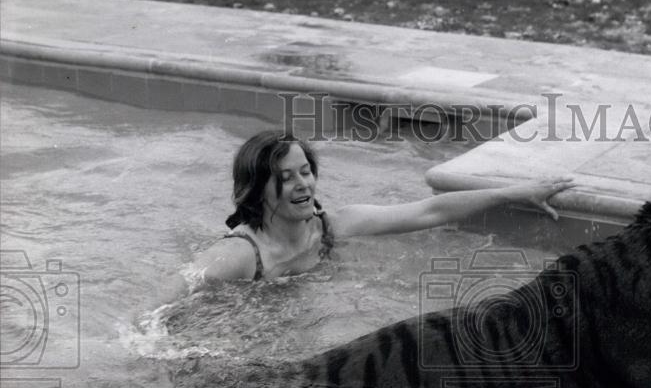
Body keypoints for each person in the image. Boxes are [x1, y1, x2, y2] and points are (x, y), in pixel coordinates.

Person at [165, 130, 574, 297]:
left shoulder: (332, 227)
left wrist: (515, 192)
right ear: (257, 190)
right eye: (286, 178)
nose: (303, 185)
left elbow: (429, 210)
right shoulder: (240, 256)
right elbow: (175, 291)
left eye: (306, 172)